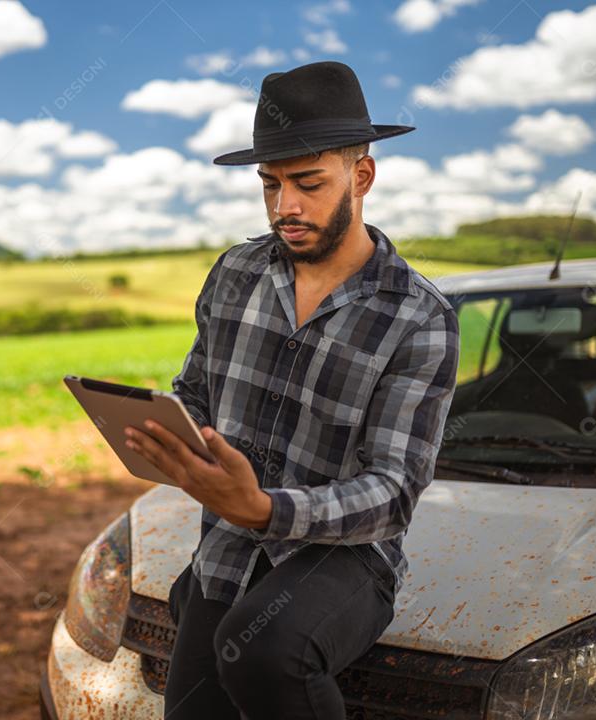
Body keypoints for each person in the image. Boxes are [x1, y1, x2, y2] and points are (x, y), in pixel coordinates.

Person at [124, 61, 460, 719]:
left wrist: (264, 509)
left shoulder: (417, 316)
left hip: (345, 558)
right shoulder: (234, 273)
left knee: (264, 651)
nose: (286, 207)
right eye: (270, 185)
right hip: (225, 550)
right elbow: (195, 390)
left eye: (308, 183)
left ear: (361, 176)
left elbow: (392, 494)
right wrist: (171, 433)